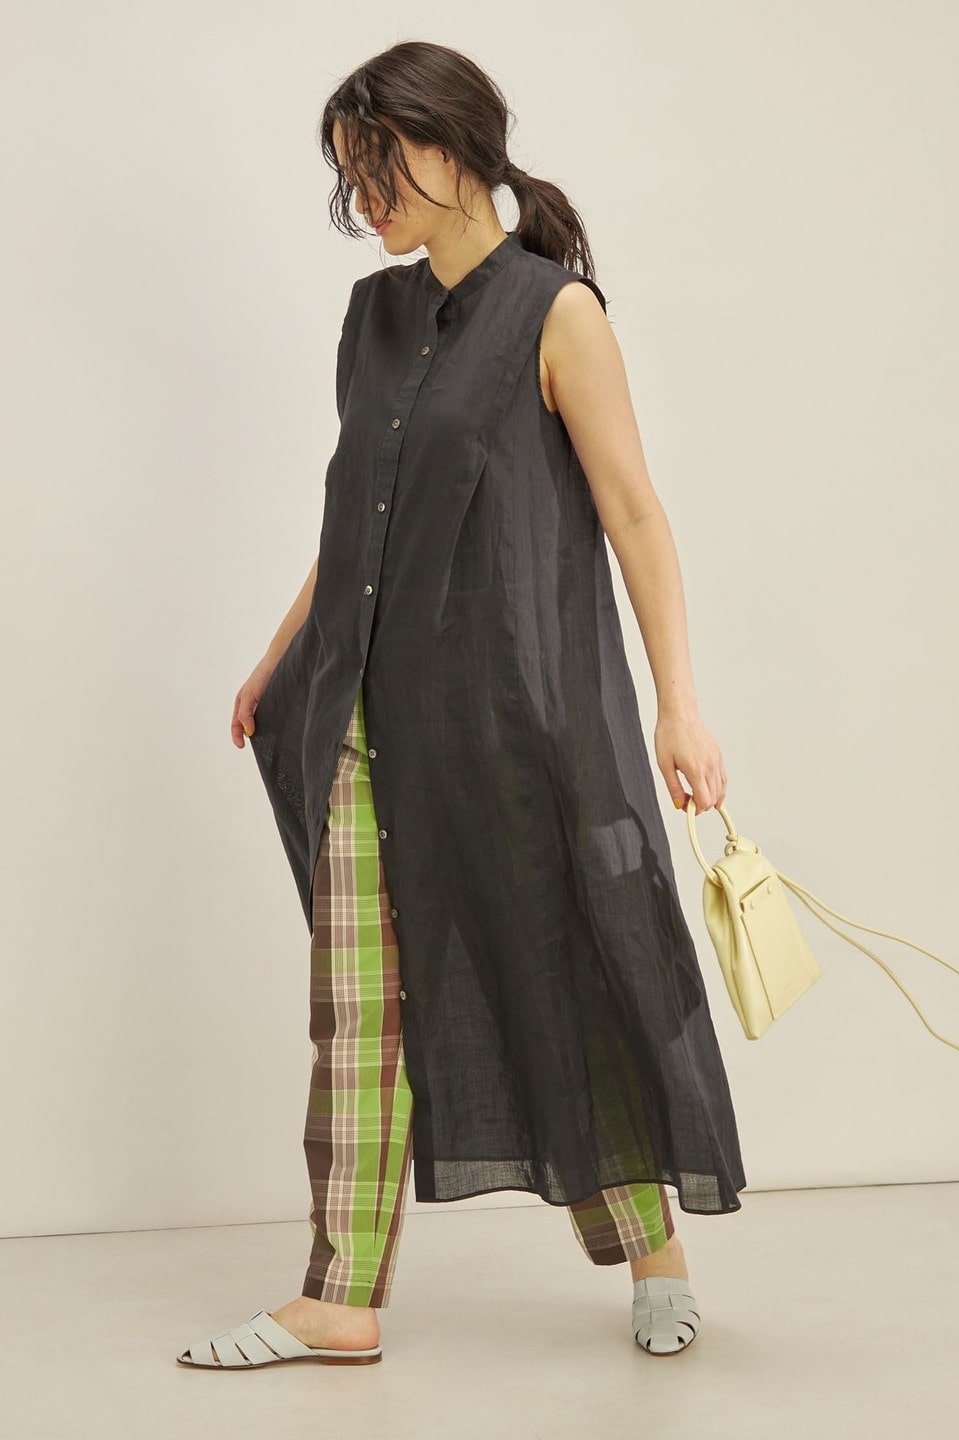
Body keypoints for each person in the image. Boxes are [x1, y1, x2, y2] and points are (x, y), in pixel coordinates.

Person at [179, 39, 744, 1370]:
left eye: (376, 166)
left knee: (562, 967)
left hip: (508, 719)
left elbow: (634, 513)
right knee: (359, 1007)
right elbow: (361, 521)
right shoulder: (372, 319)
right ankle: (340, 1296)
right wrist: (280, 655)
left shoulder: (558, 314)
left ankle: (652, 1250)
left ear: (449, 146)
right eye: (347, 176)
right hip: (356, 712)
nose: (362, 199)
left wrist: (679, 704)